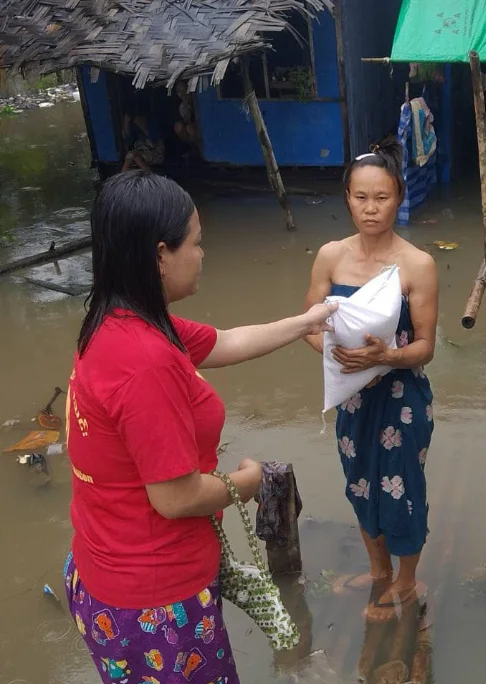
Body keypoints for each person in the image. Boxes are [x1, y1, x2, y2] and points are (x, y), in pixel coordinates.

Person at [64, 170, 335, 683]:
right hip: (155, 604)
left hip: (104, 574)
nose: (204, 254)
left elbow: (225, 341)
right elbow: (175, 497)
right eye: (197, 243)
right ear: (160, 255)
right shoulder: (145, 363)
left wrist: (307, 322)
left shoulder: (119, 319)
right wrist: (246, 483)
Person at [304, 137, 439, 622]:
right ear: (347, 198)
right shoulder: (330, 257)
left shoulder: (418, 264)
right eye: (361, 197)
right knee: (360, 482)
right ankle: (379, 570)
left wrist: (387, 357)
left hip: (402, 395)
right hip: (352, 395)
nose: (371, 208)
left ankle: (406, 578)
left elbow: (426, 345)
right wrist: (337, 357)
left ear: (399, 196)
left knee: (402, 485)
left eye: (381, 197)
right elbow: (310, 325)